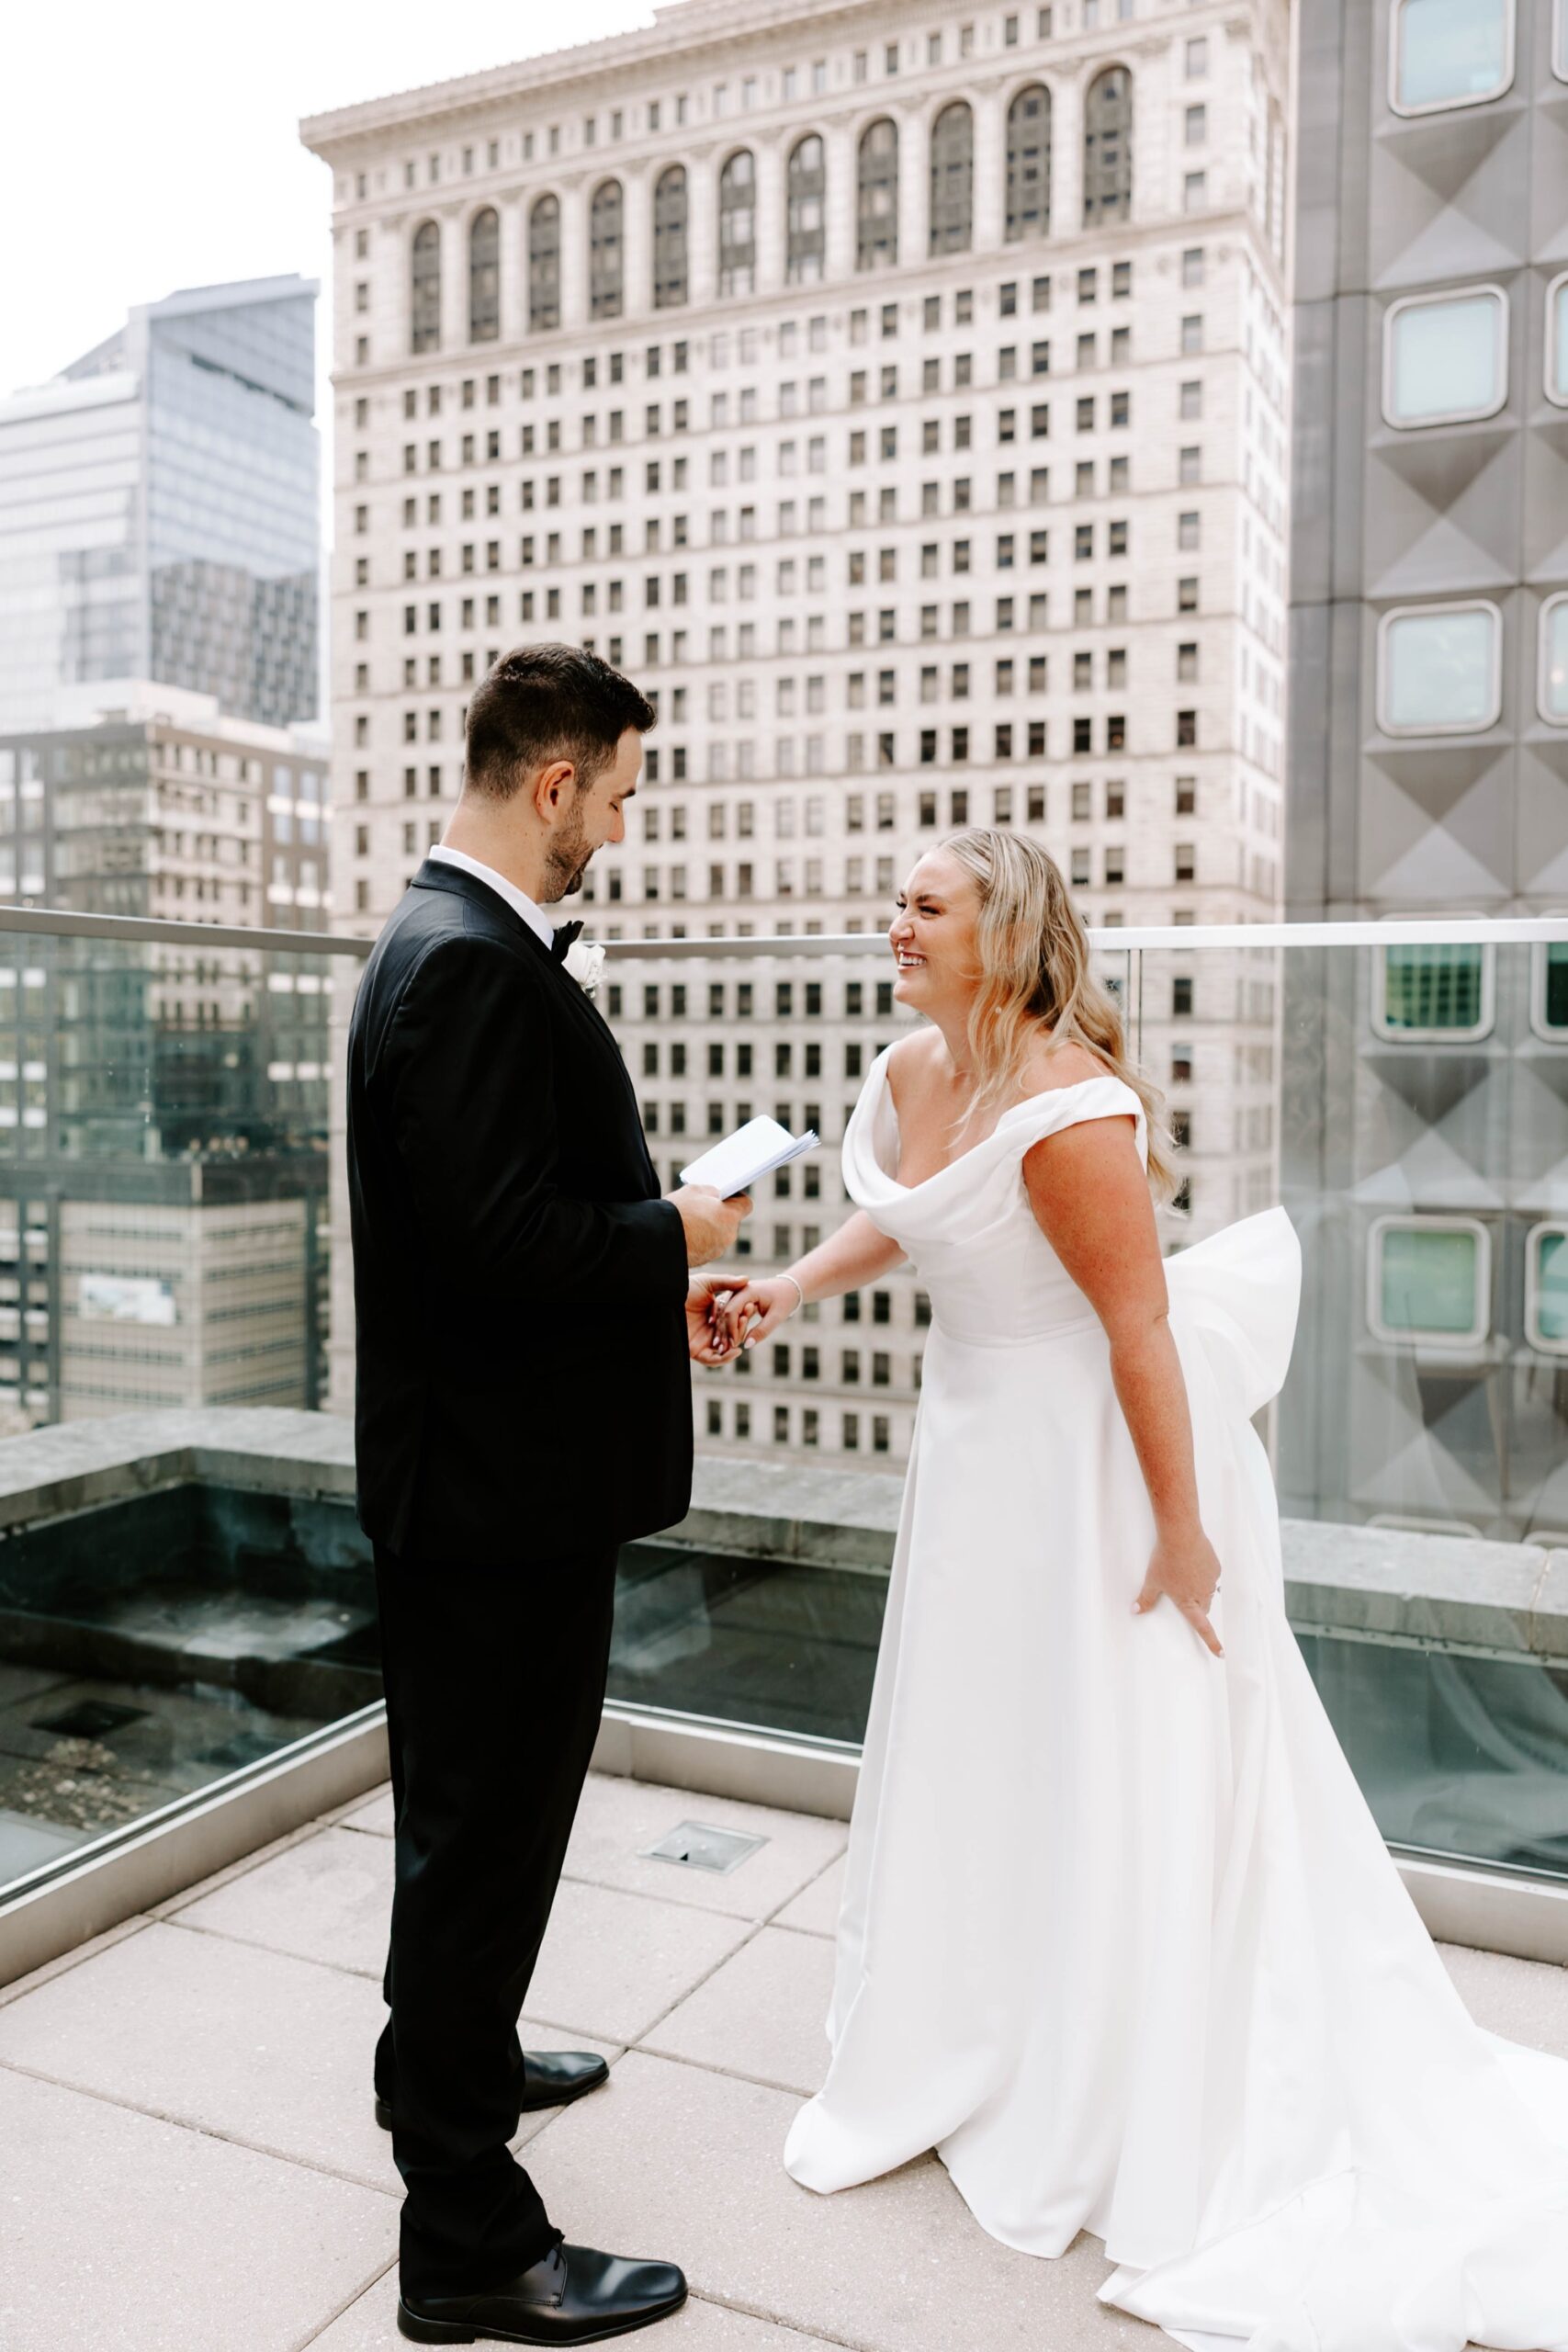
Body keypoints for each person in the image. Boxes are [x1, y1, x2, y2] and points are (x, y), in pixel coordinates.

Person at [708, 830, 1568, 2352]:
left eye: (927, 905)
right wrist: (782, 1291)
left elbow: (1142, 1333)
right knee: (990, 1743)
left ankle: (1107, 2053)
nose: (894, 920)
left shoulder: (1073, 1110)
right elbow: (905, 1217)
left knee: (1111, 1745)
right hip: (974, 1454)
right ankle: (992, 2016)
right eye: (898, 900)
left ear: (1005, 931)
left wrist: (1182, 1533)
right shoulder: (914, 1072)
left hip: (1089, 1465)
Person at [346, 643, 750, 2346]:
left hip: (498, 1482)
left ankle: (474, 2057)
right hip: (493, 1503)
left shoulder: (454, 952)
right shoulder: (467, 969)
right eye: (622, 797)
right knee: (480, 1841)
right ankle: (467, 2238)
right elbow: (501, 1247)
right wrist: (683, 1234)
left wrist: (644, 1257)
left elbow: (483, 1230)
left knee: (490, 1828)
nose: (621, 832)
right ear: (556, 781)